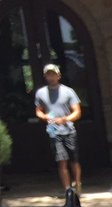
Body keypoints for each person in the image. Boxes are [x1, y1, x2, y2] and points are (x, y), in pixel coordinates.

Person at [34, 63, 82, 196]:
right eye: (48, 74)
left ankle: (77, 183)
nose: (51, 77)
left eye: (53, 74)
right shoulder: (41, 93)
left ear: (58, 76)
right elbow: (38, 111)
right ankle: (67, 189)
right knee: (61, 161)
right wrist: (45, 117)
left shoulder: (68, 91)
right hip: (54, 131)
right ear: (45, 77)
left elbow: (77, 112)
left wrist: (65, 119)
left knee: (74, 161)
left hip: (69, 130)